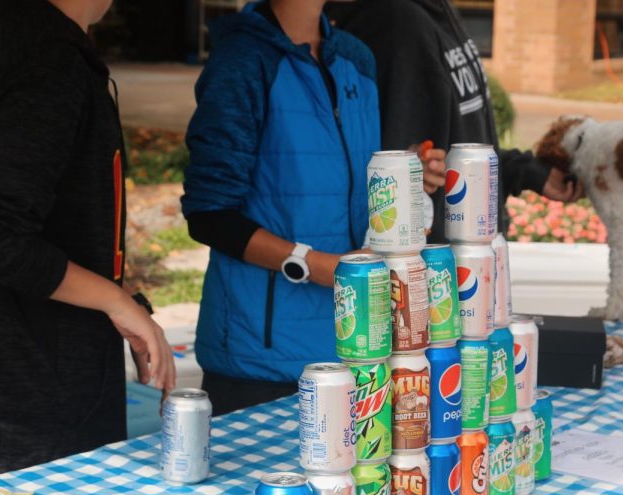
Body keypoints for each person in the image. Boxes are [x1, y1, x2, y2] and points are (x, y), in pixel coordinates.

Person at [0, 0, 176, 489]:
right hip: (23, 404)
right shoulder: (48, 64)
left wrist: (121, 302)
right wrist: (114, 300)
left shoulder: (4, 39)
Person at [182, 0, 442, 415]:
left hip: (354, 346)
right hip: (259, 363)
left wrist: (405, 174)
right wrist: (310, 262)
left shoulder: (356, 58)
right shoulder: (243, 60)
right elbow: (209, 214)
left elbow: (341, 183)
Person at [325, 0, 582, 242]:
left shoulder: (438, 11)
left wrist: (529, 173)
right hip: (437, 274)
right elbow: (396, 163)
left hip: (475, 258)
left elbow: (458, 140)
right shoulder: (395, 23)